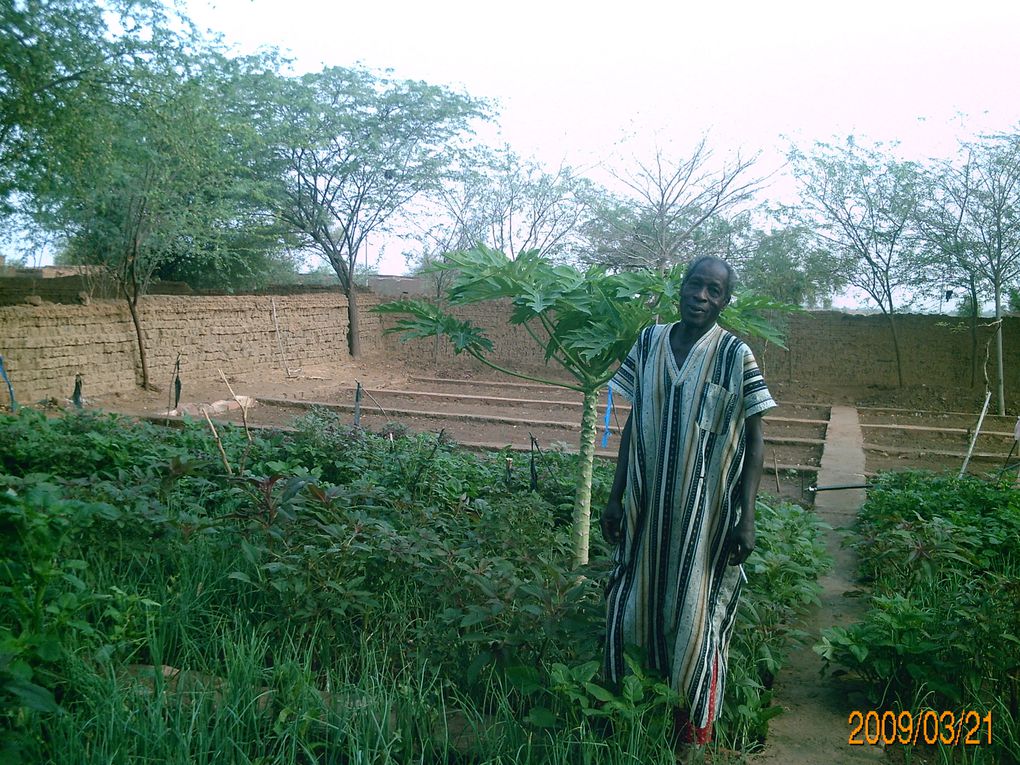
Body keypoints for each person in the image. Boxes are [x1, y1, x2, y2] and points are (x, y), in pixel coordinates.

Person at [600, 255, 775, 748]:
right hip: (646, 508)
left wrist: (747, 517)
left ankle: (692, 732)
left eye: (713, 290)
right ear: (681, 288)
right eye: (695, 285)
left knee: (696, 612)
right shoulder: (650, 342)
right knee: (634, 602)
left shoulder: (735, 355)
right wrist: (615, 497)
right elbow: (636, 421)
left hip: (707, 516)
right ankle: (628, 713)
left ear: (725, 300)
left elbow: (756, 440)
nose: (701, 296)